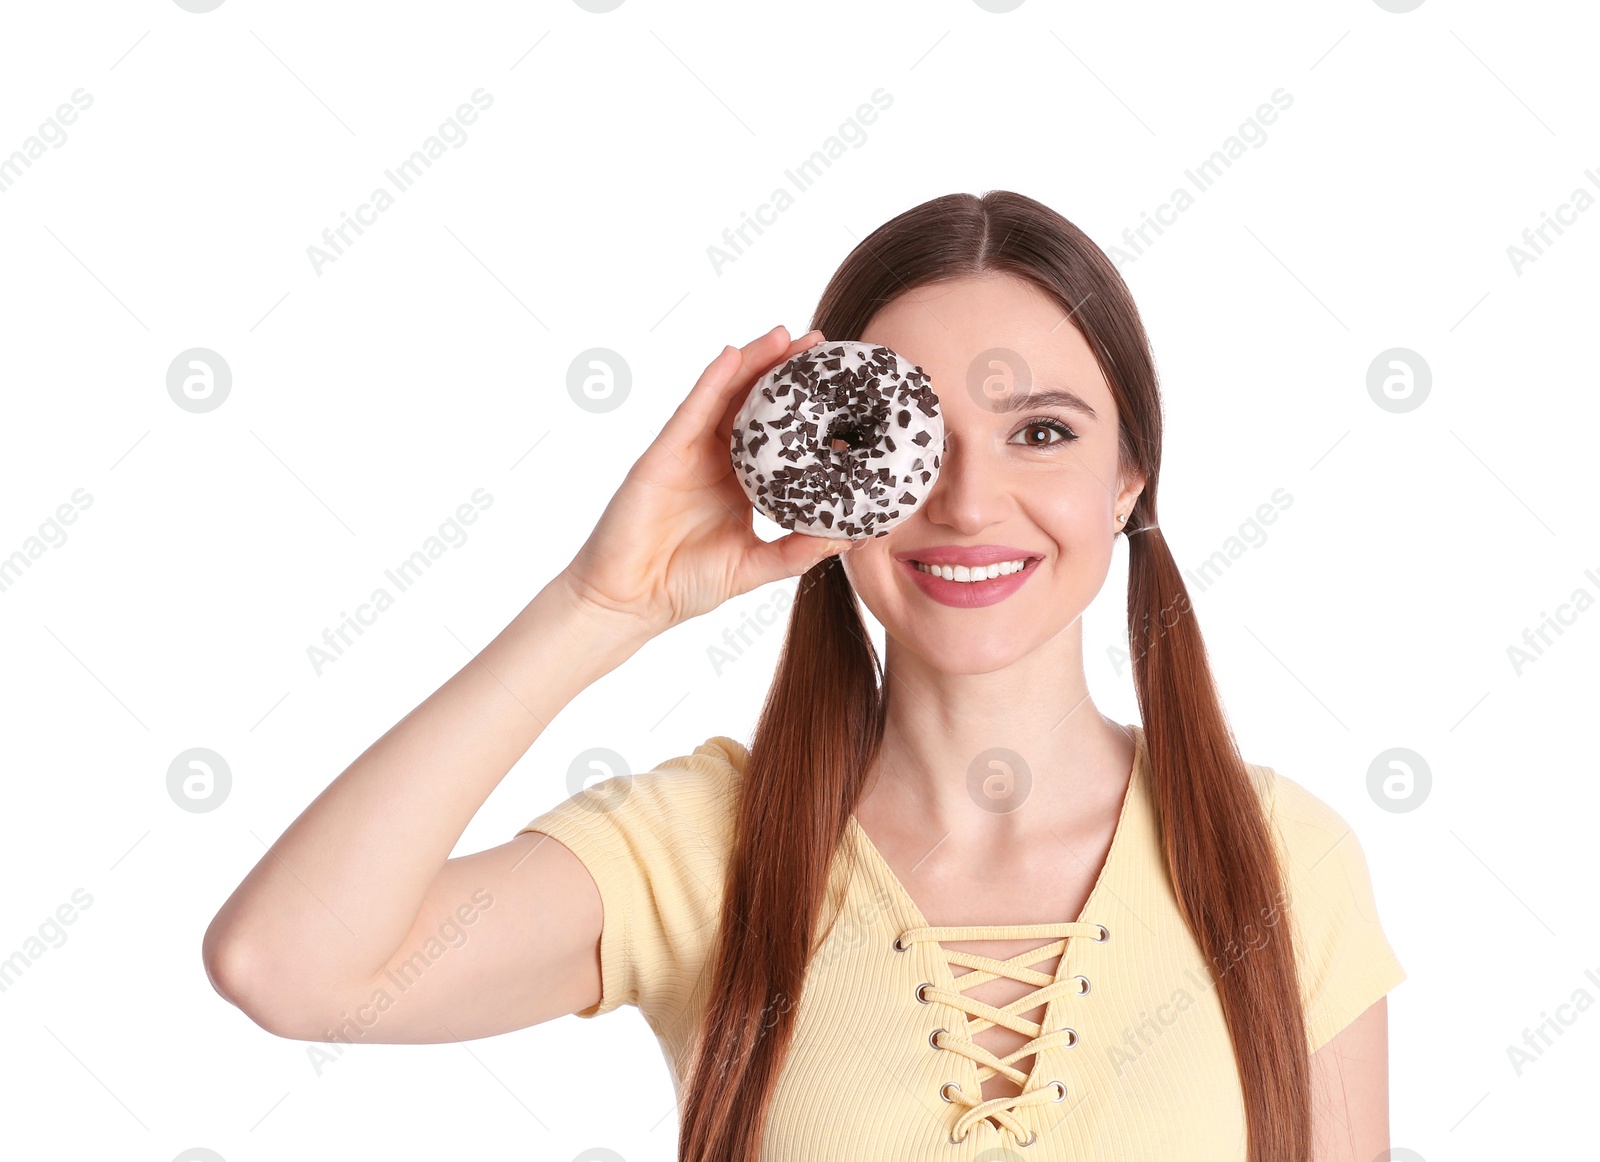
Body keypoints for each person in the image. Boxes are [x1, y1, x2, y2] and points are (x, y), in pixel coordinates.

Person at [202, 191, 1405, 1161]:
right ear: (824, 478)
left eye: (1042, 431)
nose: (970, 502)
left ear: (1130, 478)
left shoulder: (1284, 860)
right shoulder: (702, 848)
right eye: (904, 442)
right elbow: (291, 968)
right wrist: (600, 606)